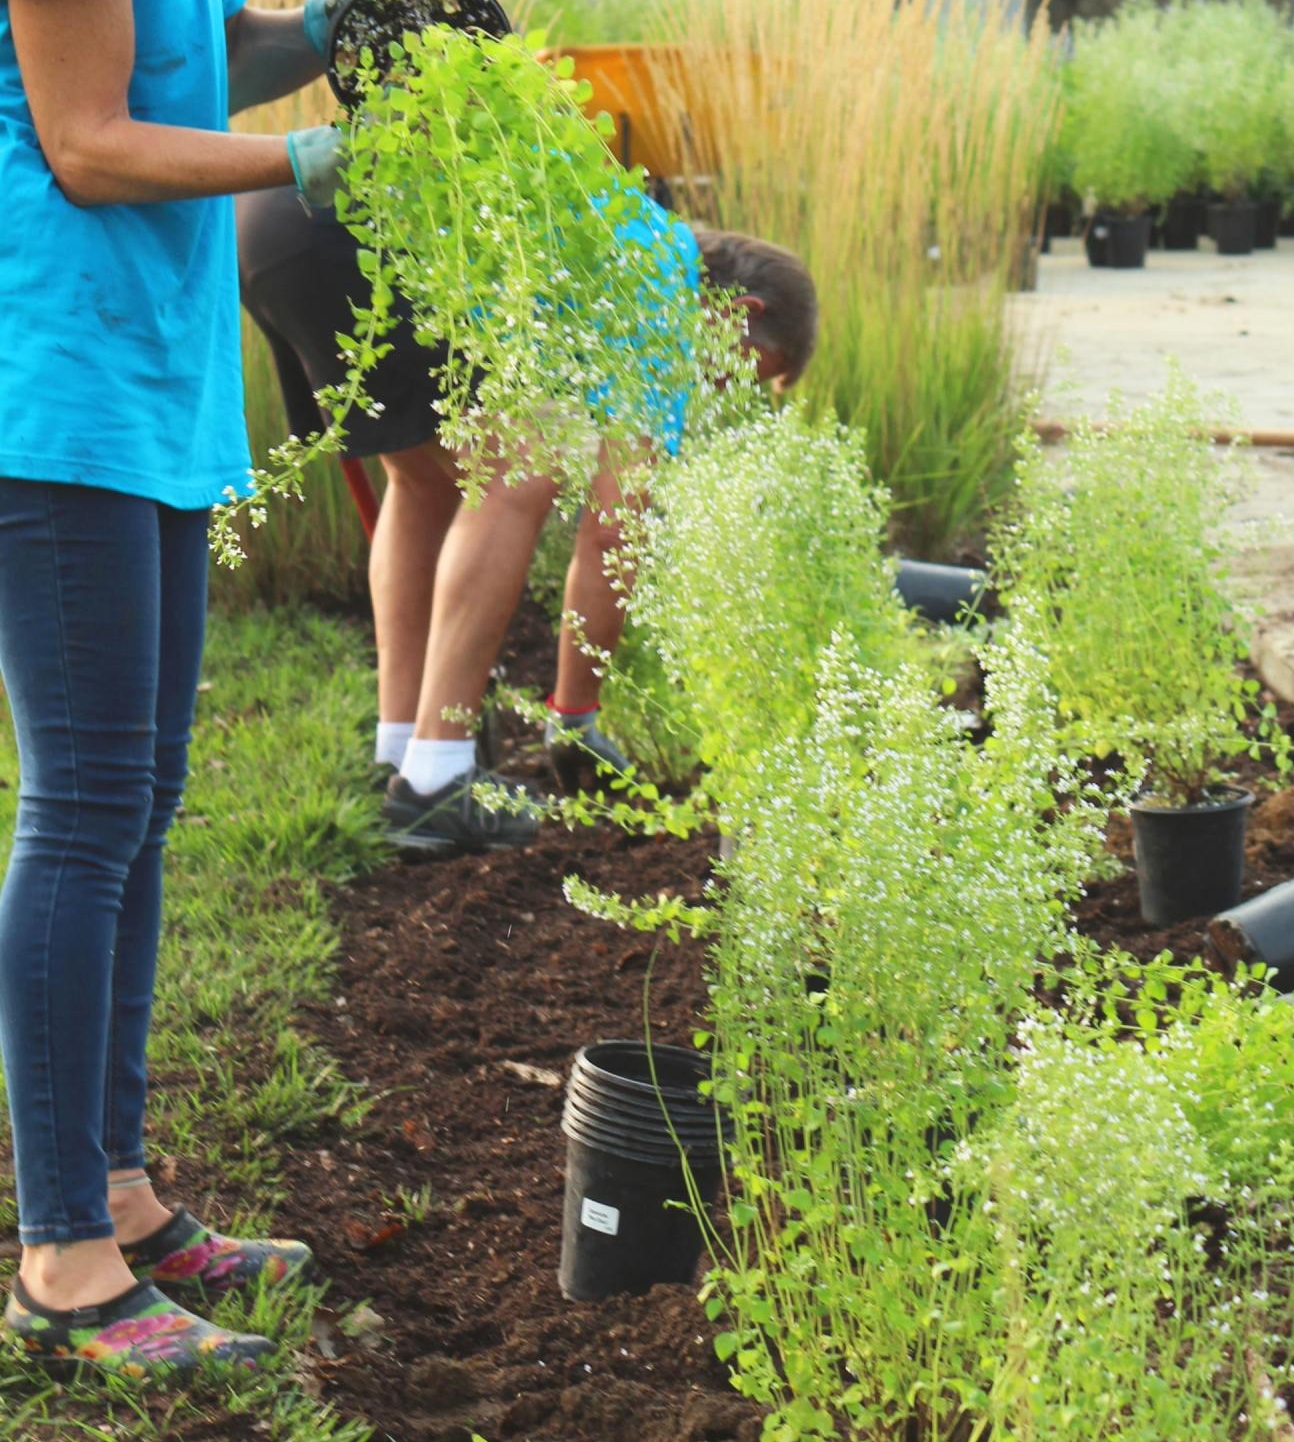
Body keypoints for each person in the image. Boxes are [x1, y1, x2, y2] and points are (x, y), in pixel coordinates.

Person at [0, 0, 351, 1380]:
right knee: (83, 811)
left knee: (139, 801)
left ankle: (125, 1192)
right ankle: (63, 1261)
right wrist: (312, 162)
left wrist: (332, 29)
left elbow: (202, 56)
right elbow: (86, 144)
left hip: (150, 382)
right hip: (61, 383)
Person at [237, 187, 818, 852]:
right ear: (739, 313)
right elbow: (611, 530)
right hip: (359, 233)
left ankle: (403, 759)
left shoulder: (626, 227)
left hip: (281, 218)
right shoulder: (662, 283)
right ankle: (437, 783)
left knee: (424, 482)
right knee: (527, 460)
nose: (716, 388)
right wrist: (574, 716)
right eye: (738, 370)